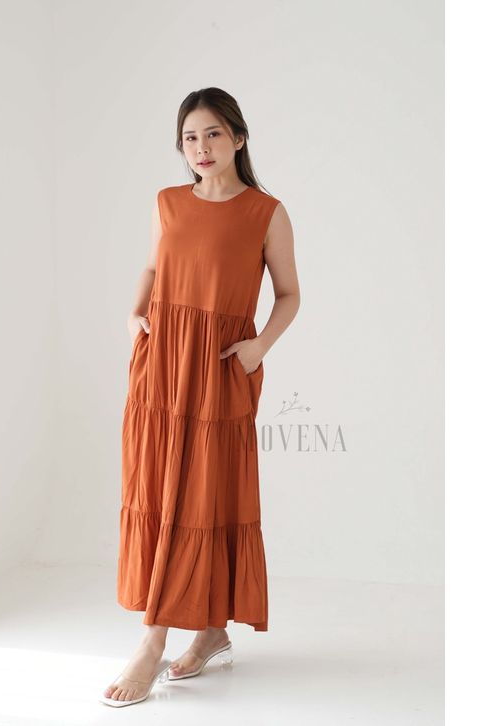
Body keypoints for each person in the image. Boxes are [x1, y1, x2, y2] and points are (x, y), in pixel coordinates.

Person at [100, 87, 300, 707]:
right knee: (161, 492)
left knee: (205, 494)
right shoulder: (168, 202)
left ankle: (163, 640)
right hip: (162, 367)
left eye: (213, 133)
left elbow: (289, 294)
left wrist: (258, 347)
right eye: (190, 137)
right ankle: (193, 633)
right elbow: (154, 267)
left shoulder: (266, 212)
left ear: (238, 137)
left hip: (219, 369)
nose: (201, 147)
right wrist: (135, 316)